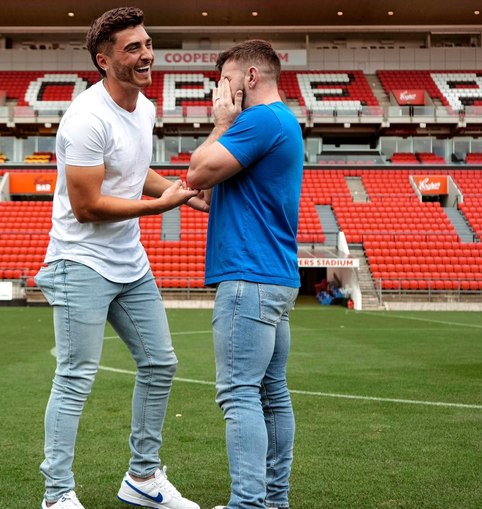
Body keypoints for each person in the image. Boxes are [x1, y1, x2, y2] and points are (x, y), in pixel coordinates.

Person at [34, 7, 206, 509]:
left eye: (148, 43)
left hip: (128, 263)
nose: (147, 54)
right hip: (79, 261)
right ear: (103, 60)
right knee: (75, 377)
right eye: (133, 48)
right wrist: (162, 205)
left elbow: (133, 169)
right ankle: (57, 495)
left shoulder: (145, 107)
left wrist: (186, 191)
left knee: (160, 363)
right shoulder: (85, 118)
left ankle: (143, 477)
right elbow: (87, 207)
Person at [186, 40, 304, 509]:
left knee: (239, 395)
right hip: (274, 277)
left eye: (226, 80)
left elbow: (198, 171)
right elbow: (209, 193)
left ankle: (249, 503)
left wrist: (221, 123)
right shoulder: (284, 123)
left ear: (251, 77)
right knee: (271, 395)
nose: (221, 90)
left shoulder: (255, 119)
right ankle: (273, 501)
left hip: (248, 279)